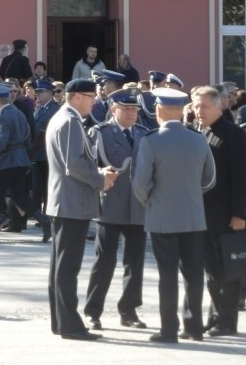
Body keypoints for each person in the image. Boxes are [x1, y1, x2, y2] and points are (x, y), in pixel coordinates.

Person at [133, 87, 217, 343]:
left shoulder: (151, 140)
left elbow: (140, 184)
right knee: (194, 273)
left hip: (162, 218)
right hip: (193, 216)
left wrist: (153, 201)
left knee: (167, 275)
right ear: (182, 111)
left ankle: (169, 329)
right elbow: (210, 179)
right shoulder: (199, 139)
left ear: (158, 110)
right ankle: (193, 327)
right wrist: (190, 194)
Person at [45, 78, 118, 341]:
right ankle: (70, 325)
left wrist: (98, 172)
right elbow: (73, 165)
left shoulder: (63, 118)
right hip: (71, 202)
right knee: (68, 267)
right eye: (91, 96)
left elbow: (72, 162)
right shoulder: (70, 121)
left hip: (64, 201)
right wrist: (100, 180)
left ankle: (60, 321)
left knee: (60, 266)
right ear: (77, 97)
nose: (95, 101)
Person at [84, 88, 149, 331]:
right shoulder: (100, 133)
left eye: (135, 109)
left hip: (138, 206)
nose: (133, 113)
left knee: (135, 262)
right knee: (105, 261)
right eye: (127, 109)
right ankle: (93, 311)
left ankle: (129, 309)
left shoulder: (144, 134)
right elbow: (90, 165)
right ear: (114, 109)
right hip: (110, 204)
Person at [190, 86, 246, 337]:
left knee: (229, 272)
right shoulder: (200, 131)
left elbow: (241, 177)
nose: (199, 111)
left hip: (227, 214)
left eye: (204, 106)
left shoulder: (233, 134)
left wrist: (240, 214)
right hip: (203, 214)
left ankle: (227, 320)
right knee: (212, 271)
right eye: (196, 106)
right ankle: (215, 317)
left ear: (219, 106)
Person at [0, 82, 51, 244]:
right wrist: (26, 156)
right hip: (21, 159)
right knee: (19, 195)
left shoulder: (3, 116)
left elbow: (2, 141)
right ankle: (44, 220)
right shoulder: (18, 112)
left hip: (6, 160)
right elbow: (28, 135)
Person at [31, 80, 60, 214]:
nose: (37, 95)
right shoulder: (39, 109)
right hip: (37, 154)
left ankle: (47, 213)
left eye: (40, 92)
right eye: (36, 92)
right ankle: (38, 214)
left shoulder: (54, 109)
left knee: (47, 186)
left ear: (49, 93)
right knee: (37, 186)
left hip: (47, 154)